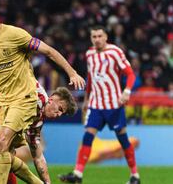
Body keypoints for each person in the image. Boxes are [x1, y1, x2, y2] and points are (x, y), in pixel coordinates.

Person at [0, 0, 85, 184]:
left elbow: (48, 51)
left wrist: (72, 73)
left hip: (24, 98)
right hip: (3, 101)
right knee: (3, 152)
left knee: (2, 143)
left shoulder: (15, 35)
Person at [58, 25, 140, 184]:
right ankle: (77, 174)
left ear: (106, 37)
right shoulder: (89, 54)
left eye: (99, 36)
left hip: (114, 104)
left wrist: (127, 91)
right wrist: (87, 100)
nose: (97, 39)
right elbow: (91, 78)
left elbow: (130, 74)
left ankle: (135, 175)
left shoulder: (115, 52)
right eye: (94, 36)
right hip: (96, 104)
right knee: (88, 136)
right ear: (91, 38)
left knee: (122, 138)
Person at [0, 82, 78, 184]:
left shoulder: (36, 123)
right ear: (52, 99)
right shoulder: (37, 92)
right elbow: (24, 75)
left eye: (62, 113)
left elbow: (38, 157)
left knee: (6, 161)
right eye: (60, 109)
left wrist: (47, 182)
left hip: (2, 124)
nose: (58, 114)